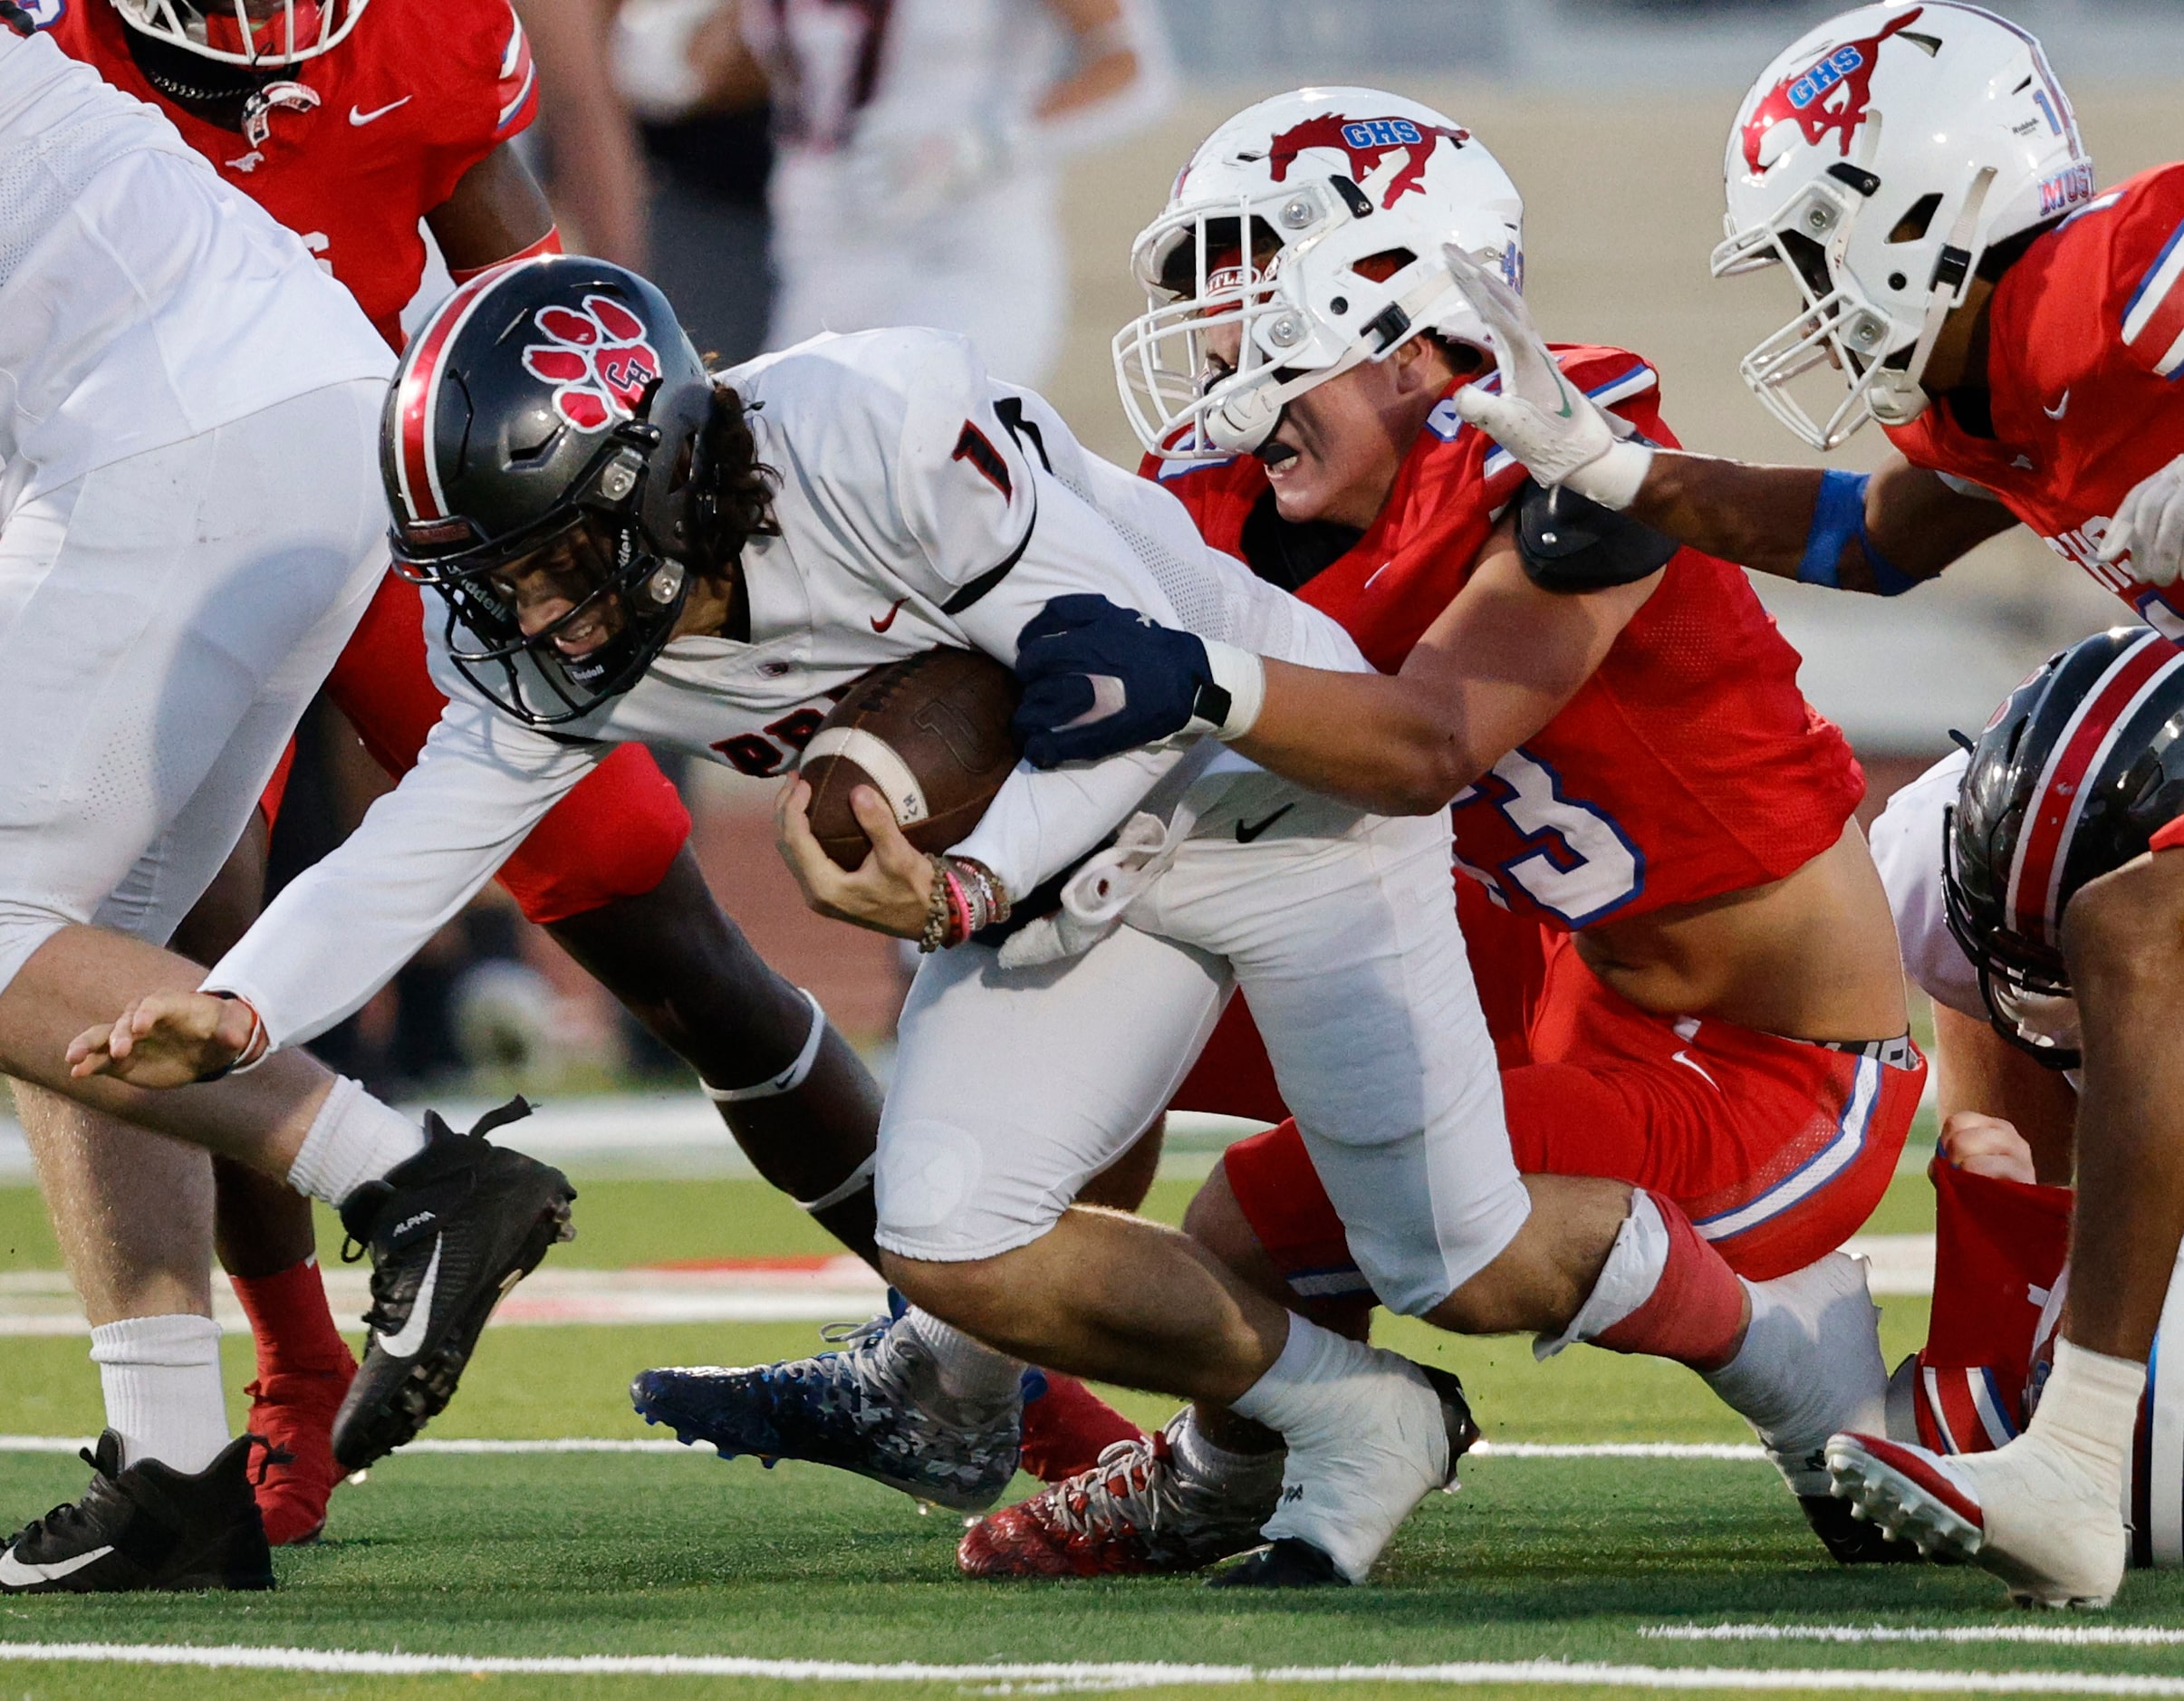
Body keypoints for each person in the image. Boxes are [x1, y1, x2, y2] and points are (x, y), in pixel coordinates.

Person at [79, 255, 1870, 1588]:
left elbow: (1108, 693)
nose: (530, 618)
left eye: (546, 561)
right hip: (1066, 865)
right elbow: (426, 831)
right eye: (493, 579)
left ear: (650, 471)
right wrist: (242, 1012)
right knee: (943, 1225)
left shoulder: (876, 427)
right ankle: (1343, 1415)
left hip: (1264, 801)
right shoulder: (530, 629)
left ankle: (1798, 1380)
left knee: (1453, 1254)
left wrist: (966, 884)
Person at [981, 86, 1927, 1577]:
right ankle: (967, 1368)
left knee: (1254, 1221)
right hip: (1562, 980)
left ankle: (1782, 1358)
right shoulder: (1245, 496)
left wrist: (1199, 679)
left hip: (1771, 1064)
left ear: (1417, 325)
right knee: (1093, 971)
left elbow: (1428, 744)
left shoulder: (1567, 460)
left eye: (1256, 282)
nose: (1221, 342)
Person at [24, 0, 888, 1547]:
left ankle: (991, 1352)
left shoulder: (413, 36)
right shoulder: (72, 58)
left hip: (312, 470)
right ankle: (193, 1450)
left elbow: (525, 273)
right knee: (108, 952)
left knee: (651, 906)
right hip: (205, 447)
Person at [1432, 0, 2184, 1608]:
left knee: (2119, 870)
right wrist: (1626, 471)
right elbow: (1876, 536)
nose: (1815, 305)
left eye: (1814, 252)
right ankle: (2011, 1356)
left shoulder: (2120, 278)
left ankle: (2075, 1452)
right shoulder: (2015, 368)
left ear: (1924, 204)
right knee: (1943, 866)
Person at [0, 14, 574, 1594]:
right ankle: (178, 1469)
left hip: (181, 433)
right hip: (290, 422)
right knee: (71, 957)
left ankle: (418, 1182)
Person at [1867, 626, 2184, 1570]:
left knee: (2158, 1479)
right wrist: (1995, 1297)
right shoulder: (1924, 856)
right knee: (1970, 1415)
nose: (2054, 1004)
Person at [607, 0, 1173, 387]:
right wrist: (665, 46)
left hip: (963, 256)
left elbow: (1138, 73)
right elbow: (698, 70)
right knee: (788, 489)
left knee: (910, 450)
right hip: (820, 269)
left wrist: (986, 143)